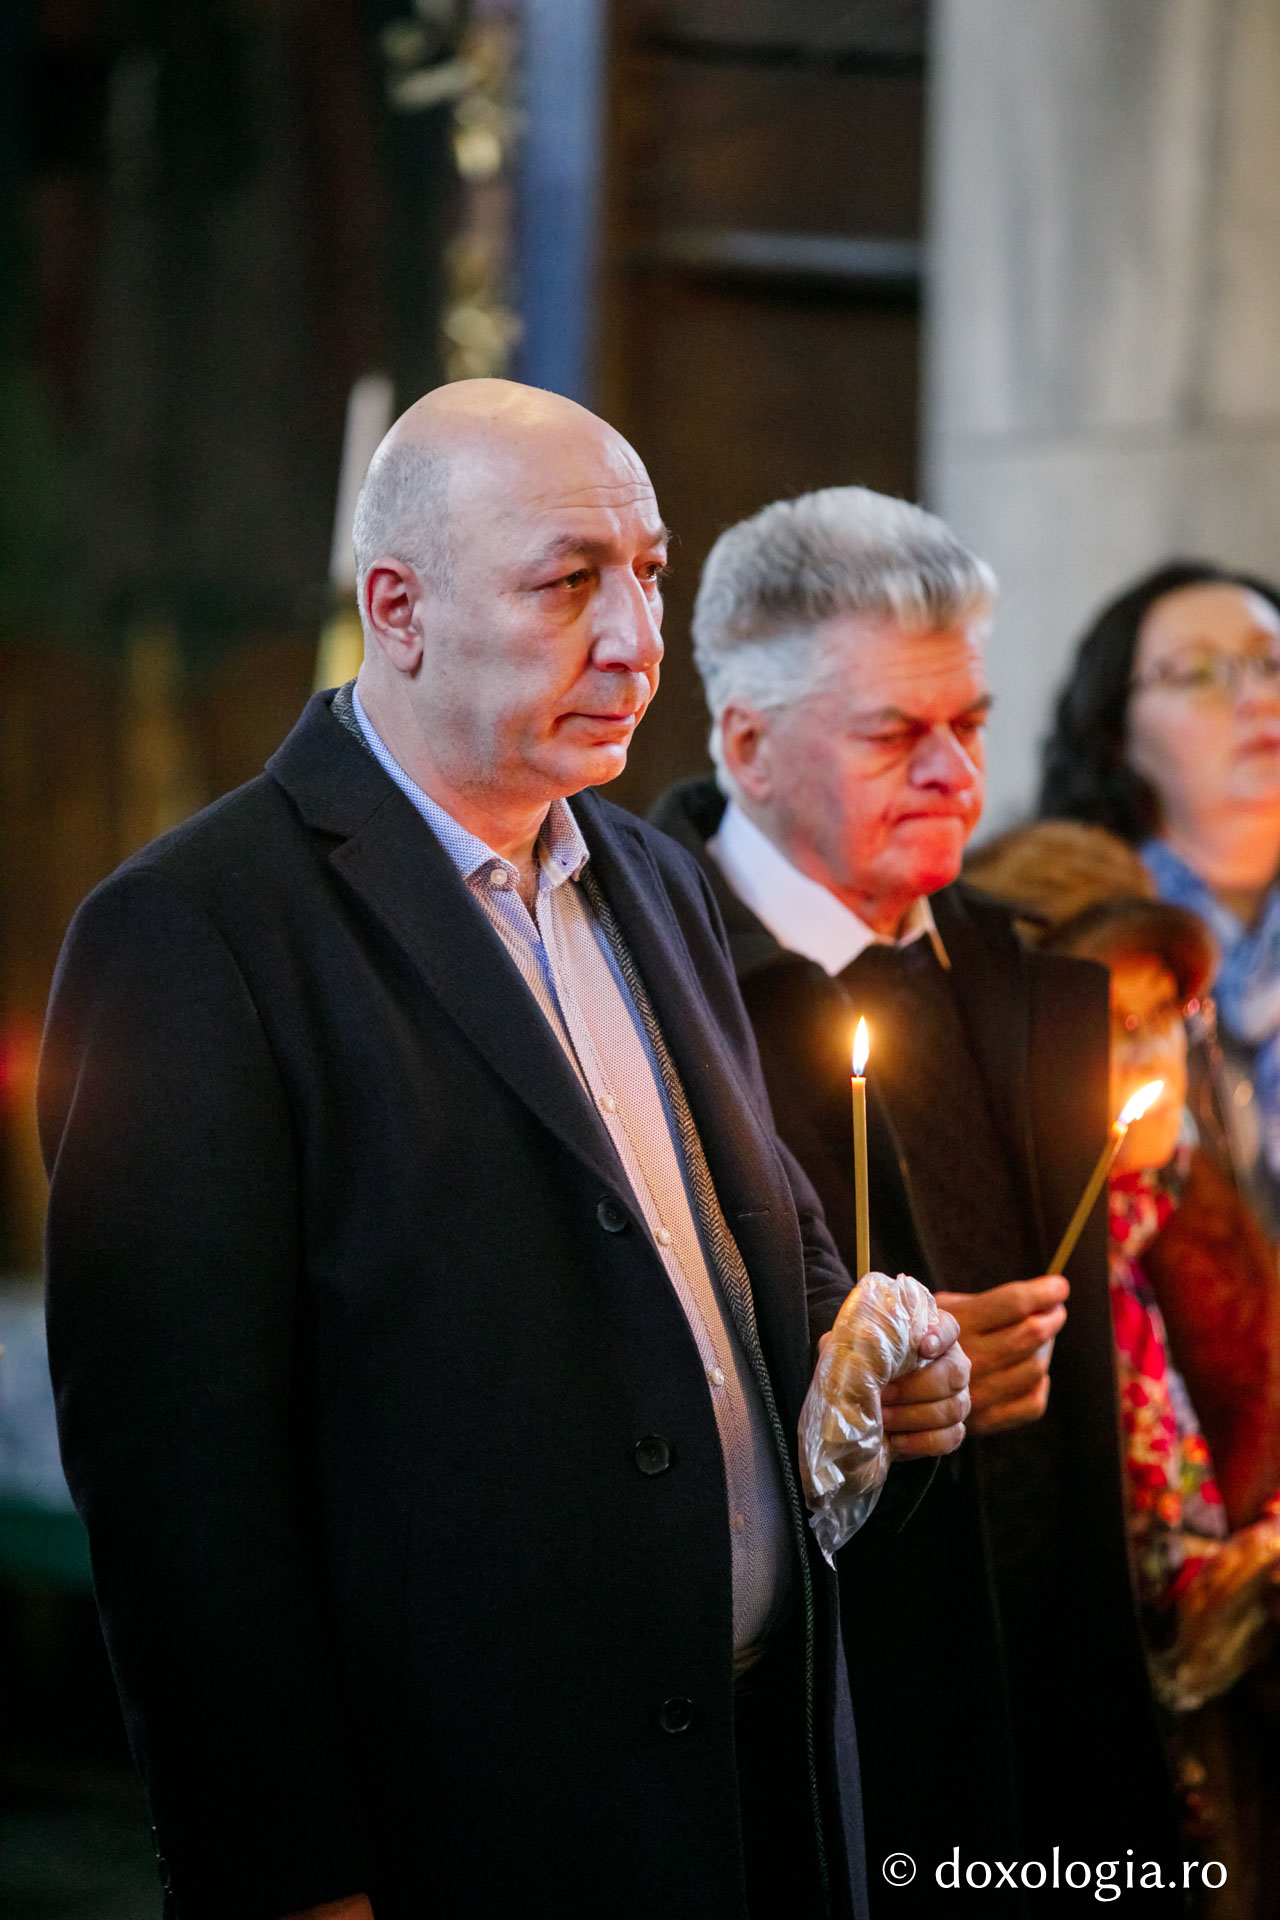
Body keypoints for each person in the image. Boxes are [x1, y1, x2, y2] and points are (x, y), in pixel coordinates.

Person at [38, 382, 971, 1920]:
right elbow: (179, 1497)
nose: (632, 639)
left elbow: (767, 1267)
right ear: (395, 608)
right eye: (566, 582)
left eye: (651, 575)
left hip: (758, 1796)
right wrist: (289, 1881)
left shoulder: (656, 883)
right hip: (464, 1828)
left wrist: (884, 1377)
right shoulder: (197, 932)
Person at [651, 487, 1184, 1908]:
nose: (956, 772)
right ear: (747, 743)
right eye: (897, 733)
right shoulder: (649, 994)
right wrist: (851, 1382)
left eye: (973, 723)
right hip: (820, 1749)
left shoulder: (1020, 980)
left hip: (1051, 1726)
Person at [967, 820, 1280, 1920]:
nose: (1150, 1059)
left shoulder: (1191, 1207)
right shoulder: (1006, 1266)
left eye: (1166, 1020)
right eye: (1110, 1024)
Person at [1039, 562, 1280, 1238]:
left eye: (1271, 663)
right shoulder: (1071, 943)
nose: (1256, 697)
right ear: (1117, 733)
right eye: (1197, 673)